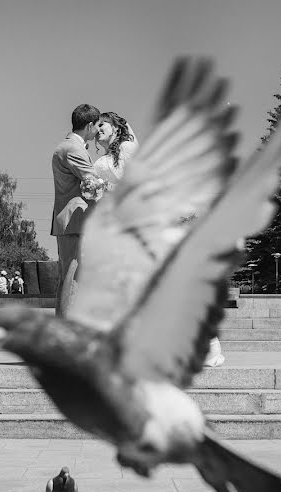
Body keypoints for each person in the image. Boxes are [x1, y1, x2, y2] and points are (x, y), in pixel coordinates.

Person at [93, 111, 226, 367]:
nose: (99, 129)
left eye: (103, 124)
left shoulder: (129, 148)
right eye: (96, 126)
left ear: (116, 126)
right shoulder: (102, 162)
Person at [51, 103, 101, 316]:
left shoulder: (67, 146)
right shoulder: (73, 149)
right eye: (97, 125)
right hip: (75, 221)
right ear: (89, 125)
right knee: (73, 277)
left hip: (70, 221)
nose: (98, 130)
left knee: (69, 276)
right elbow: (92, 181)